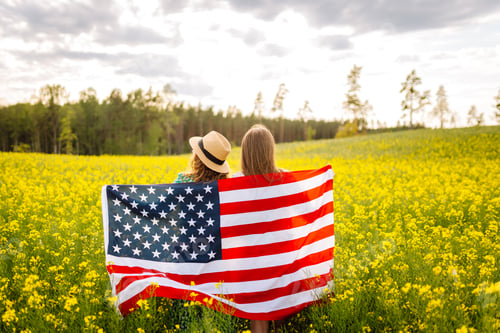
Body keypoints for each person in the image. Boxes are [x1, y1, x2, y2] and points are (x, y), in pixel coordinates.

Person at [170, 130, 231, 329]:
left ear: (197, 157)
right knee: (213, 298)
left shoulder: (182, 181)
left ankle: (185, 327)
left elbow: (167, 208)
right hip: (216, 249)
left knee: (185, 297)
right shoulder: (227, 187)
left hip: (185, 248)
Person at [233, 124, 284, 333]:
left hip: (249, 260)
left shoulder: (234, 183)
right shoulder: (284, 179)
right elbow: (308, 205)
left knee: (258, 313)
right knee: (283, 309)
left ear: (245, 152)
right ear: (270, 150)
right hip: (280, 256)